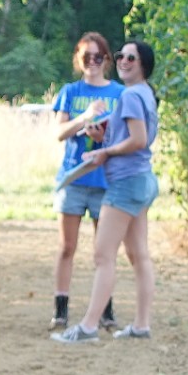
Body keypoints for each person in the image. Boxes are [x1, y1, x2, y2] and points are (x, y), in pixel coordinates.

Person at [51, 39, 159, 344]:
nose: (123, 61)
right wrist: (104, 137)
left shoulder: (130, 95)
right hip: (142, 178)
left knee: (103, 256)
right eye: (121, 55)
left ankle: (88, 327)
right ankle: (141, 325)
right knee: (139, 255)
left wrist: (105, 152)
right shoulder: (144, 93)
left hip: (125, 182)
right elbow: (134, 136)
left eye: (131, 58)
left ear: (143, 65)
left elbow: (138, 140)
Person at [50, 32, 123, 331]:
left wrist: (103, 136)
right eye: (86, 57)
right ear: (78, 60)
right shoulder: (70, 91)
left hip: (105, 180)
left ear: (107, 60)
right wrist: (85, 117)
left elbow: (127, 136)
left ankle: (105, 309)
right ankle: (61, 310)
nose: (92, 62)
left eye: (98, 56)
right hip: (74, 178)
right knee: (67, 247)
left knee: (103, 251)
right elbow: (59, 132)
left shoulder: (119, 93)